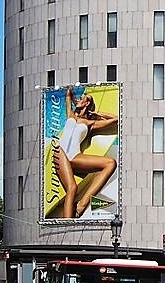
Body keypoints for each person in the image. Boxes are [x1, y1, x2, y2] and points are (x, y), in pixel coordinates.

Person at [49, 84, 119, 219]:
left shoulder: (90, 123)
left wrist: (97, 114)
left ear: (87, 103)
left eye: (83, 98)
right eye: (80, 98)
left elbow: (116, 118)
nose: (80, 99)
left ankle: (83, 203)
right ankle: (67, 223)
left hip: (75, 156)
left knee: (111, 163)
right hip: (60, 153)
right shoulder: (70, 114)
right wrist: (71, 91)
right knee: (72, 188)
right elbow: (68, 94)